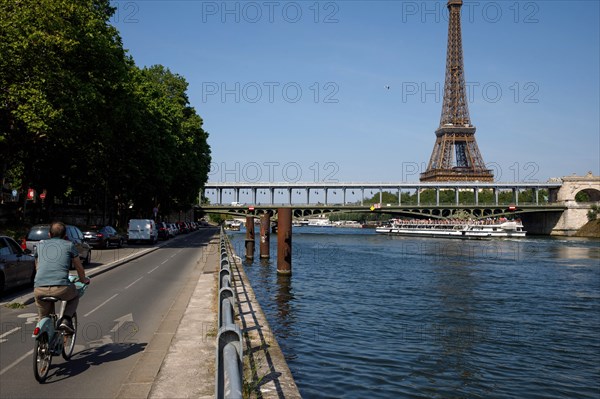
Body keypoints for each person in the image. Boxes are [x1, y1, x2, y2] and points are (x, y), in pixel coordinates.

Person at [33, 221, 90, 333]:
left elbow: (37, 267)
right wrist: (84, 280)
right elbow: (79, 267)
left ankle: (42, 338)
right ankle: (66, 319)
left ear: (49, 234)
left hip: (39, 288)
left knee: (44, 316)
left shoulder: (39, 246)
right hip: (61, 288)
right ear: (65, 236)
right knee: (74, 296)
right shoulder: (69, 245)